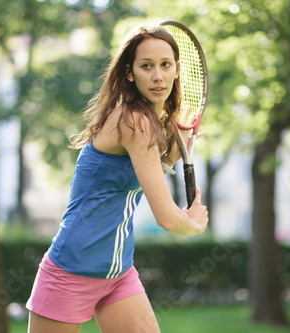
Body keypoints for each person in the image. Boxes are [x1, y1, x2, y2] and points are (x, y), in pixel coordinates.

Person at [26, 24, 209, 333]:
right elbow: (166, 218)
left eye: (166, 65)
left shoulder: (147, 124)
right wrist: (193, 223)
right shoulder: (134, 121)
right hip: (71, 271)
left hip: (117, 273)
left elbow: (123, 180)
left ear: (177, 69)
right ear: (129, 72)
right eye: (146, 66)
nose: (157, 76)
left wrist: (168, 160)